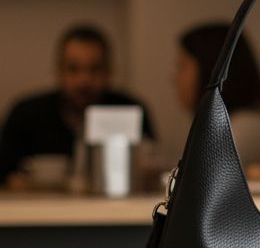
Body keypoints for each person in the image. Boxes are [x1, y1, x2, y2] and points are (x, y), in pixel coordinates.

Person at [0, 24, 155, 186]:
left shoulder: (130, 110)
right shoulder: (25, 113)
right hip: (40, 208)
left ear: (109, 72)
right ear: (59, 71)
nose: (84, 80)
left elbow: (150, 166)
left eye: (94, 69)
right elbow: (4, 171)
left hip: (116, 209)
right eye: (73, 69)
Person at [174, 23, 260, 167]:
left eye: (182, 66)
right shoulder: (226, 127)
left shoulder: (246, 129)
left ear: (210, 69)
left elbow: (202, 182)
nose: (174, 78)